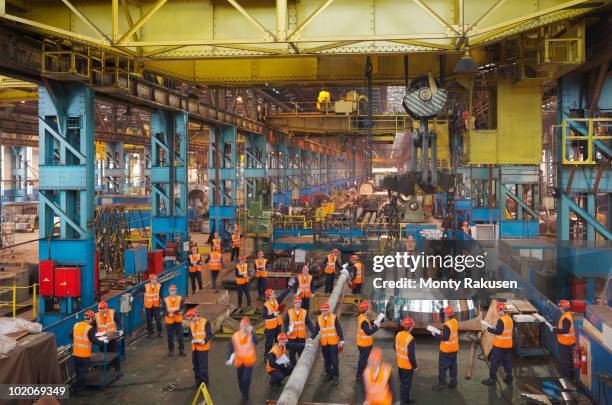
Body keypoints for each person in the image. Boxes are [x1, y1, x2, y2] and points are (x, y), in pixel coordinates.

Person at [71, 310, 104, 393]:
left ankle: (77, 386)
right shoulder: (89, 328)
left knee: (78, 371)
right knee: (83, 372)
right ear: (91, 319)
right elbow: (93, 340)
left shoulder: (76, 325)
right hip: (84, 355)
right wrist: (103, 342)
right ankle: (79, 389)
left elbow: (71, 335)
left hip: (75, 353)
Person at [227, 317, 258, 403]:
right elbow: (231, 348)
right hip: (239, 362)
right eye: (242, 325)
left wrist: (252, 332)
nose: (244, 327)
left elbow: (256, 342)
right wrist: (229, 358)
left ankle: (245, 395)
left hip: (249, 362)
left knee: (246, 379)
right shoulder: (235, 336)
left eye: (246, 325)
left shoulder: (251, 335)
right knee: (240, 379)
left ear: (248, 326)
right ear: (240, 325)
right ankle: (243, 392)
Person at [312, 302, 344, 384]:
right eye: (323, 311)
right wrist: (311, 338)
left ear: (328, 310)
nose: (324, 312)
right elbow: (316, 330)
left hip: (333, 343)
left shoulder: (334, 317)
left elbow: (339, 329)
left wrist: (341, 339)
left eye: (325, 310)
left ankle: (336, 376)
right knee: (327, 360)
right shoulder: (319, 318)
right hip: (324, 344)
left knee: (334, 360)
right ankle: (329, 374)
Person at [482, 302, 513, 385]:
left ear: (501, 310)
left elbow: (498, 332)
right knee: (507, 362)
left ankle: (492, 379)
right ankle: (509, 378)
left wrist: (488, 328)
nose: (497, 312)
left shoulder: (501, 320)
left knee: (494, 362)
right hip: (508, 345)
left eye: (498, 310)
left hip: (500, 346)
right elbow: (504, 331)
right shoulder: (509, 319)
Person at [431, 306, 459, 391]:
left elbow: (445, 337)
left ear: (447, 315)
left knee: (442, 368)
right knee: (453, 367)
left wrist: (435, 334)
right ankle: (453, 383)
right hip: (454, 349)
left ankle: (442, 384)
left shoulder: (447, 325)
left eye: (445, 314)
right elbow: (444, 318)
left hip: (446, 350)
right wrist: (441, 309)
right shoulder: (454, 321)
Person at [187, 308, 213, 389]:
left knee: (203, 366)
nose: (191, 320)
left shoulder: (205, 322)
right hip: (194, 348)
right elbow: (191, 334)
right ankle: (198, 381)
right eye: (190, 319)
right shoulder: (192, 323)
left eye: (192, 318)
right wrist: (191, 339)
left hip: (203, 348)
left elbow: (209, 334)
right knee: (195, 365)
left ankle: (205, 382)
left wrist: (203, 341)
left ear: (196, 316)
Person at [356, 300, 381, 382]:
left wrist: (374, 322)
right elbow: (368, 332)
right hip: (364, 345)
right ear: (366, 309)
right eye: (369, 307)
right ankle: (359, 376)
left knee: (364, 360)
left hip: (363, 343)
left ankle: (363, 373)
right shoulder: (363, 320)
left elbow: (366, 326)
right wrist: (376, 327)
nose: (370, 308)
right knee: (363, 361)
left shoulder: (362, 317)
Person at [284, 296, 314, 365]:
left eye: (299, 303)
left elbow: (308, 323)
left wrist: (314, 332)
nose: (297, 304)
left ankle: (301, 366)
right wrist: (287, 331)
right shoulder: (289, 312)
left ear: (301, 303)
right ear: (294, 304)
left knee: (301, 353)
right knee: (292, 354)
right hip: (292, 337)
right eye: (296, 303)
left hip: (301, 337)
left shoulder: (304, 312)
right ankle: (293, 367)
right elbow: (285, 323)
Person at [395, 317, 417, 404]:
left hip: (400, 364)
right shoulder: (410, 339)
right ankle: (403, 402)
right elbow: (411, 355)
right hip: (407, 367)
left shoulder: (398, 334)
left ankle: (406, 400)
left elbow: (395, 347)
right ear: (411, 327)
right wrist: (415, 366)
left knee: (403, 384)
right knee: (406, 385)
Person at [553, 300, 575, 379]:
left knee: (564, 361)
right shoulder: (568, 315)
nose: (559, 308)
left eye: (560, 306)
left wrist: (554, 330)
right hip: (569, 341)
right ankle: (570, 375)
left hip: (565, 342)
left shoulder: (566, 318)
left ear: (562, 307)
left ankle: (566, 377)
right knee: (569, 359)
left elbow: (565, 330)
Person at [163, 285, 185, 357]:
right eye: (171, 290)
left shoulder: (180, 298)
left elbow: (182, 308)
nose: (173, 292)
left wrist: (181, 311)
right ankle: (171, 351)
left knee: (180, 337)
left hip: (178, 321)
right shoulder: (166, 300)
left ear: (176, 291)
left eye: (174, 290)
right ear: (169, 292)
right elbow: (163, 310)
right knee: (170, 337)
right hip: (169, 321)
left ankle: (181, 351)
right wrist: (168, 314)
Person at [263, 288, 284, 353]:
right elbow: (265, 316)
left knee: (278, 342)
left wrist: (289, 288)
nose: (274, 294)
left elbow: (283, 296)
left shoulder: (276, 301)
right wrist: (273, 314)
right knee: (269, 344)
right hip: (270, 329)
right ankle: (267, 357)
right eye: (273, 293)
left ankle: (278, 355)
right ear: (269, 296)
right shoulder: (265, 305)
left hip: (278, 326)